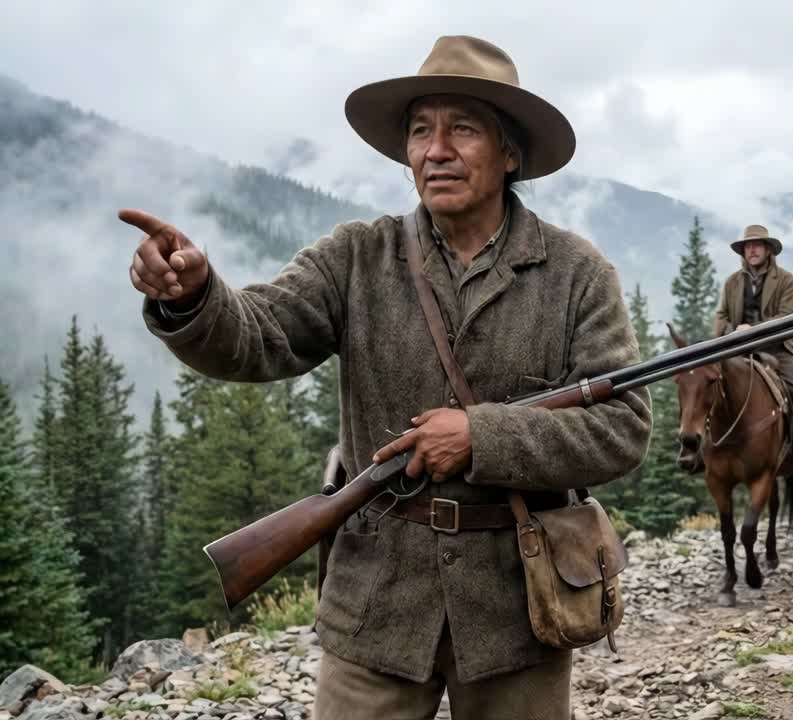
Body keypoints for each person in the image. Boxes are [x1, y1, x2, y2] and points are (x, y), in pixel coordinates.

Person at [121, 35, 652, 720]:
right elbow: (258, 336)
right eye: (421, 130)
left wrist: (480, 436)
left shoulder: (578, 275)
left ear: (510, 153)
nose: (437, 149)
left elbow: (621, 429)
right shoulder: (356, 257)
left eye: (463, 128)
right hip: (376, 602)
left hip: (518, 606)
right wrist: (191, 297)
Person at [713, 224, 793, 482]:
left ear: (768, 250)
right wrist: (733, 330)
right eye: (747, 246)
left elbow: (786, 318)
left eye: (757, 245)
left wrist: (751, 329)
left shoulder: (786, 280)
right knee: (704, 384)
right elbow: (720, 316)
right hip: (738, 350)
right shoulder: (732, 282)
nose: (751, 250)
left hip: (779, 347)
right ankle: (702, 451)